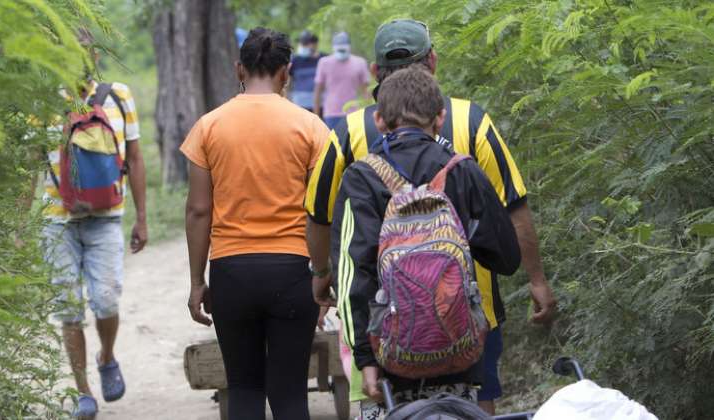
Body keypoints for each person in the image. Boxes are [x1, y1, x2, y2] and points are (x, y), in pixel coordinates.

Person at [305, 19, 557, 415]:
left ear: (379, 114)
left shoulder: (352, 144)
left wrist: (323, 279)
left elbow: (349, 263)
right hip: (466, 329)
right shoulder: (469, 135)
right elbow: (508, 238)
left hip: (382, 332)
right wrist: (533, 277)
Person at [333, 66, 521, 417]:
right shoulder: (462, 171)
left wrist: (365, 359)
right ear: (440, 118)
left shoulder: (360, 179)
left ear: (379, 120)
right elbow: (507, 259)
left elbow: (351, 278)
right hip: (458, 354)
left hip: (388, 361)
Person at [181, 27, 328, 420]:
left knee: (244, 388)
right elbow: (324, 212)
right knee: (291, 393)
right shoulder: (311, 127)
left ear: (239, 69)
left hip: (232, 272)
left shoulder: (209, 126)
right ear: (287, 72)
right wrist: (324, 275)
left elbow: (198, 210)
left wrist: (198, 282)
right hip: (294, 271)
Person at [40, 30, 147, 419]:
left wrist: (143, 218)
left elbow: (135, 158)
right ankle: (84, 390)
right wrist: (17, 227)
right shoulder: (43, 98)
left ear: (95, 57)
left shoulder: (118, 96)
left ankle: (106, 355)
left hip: (106, 217)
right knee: (68, 308)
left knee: (105, 300)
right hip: (56, 221)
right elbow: (28, 163)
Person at [313, 31, 371, 129]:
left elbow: (366, 91)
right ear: (334, 48)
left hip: (354, 113)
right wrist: (316, 117)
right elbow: (318, 91)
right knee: (332, 143)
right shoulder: (324, 63)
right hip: (331, 114)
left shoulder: (360, 63)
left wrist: (369, 115)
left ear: (349, 47)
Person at [289, 30, 325, 113]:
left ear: (315, 44)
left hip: (320, 104)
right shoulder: (294, 60)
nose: (304, 46)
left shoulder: (322, 59)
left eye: (307, 44)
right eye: (303, 44)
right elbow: (288, 82)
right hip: (299, 104)